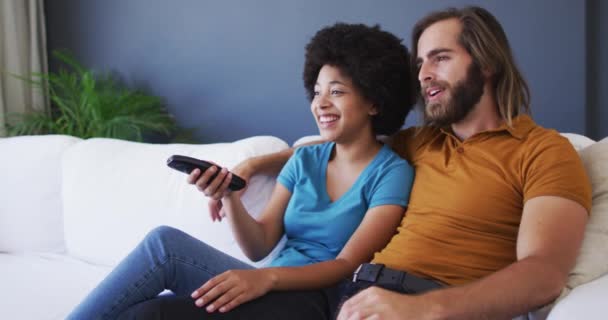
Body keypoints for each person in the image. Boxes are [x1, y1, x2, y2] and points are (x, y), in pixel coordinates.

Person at [137, 5, 592, 320]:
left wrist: (423, 310)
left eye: (440, 58)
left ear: (487, 64)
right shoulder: (420, 143)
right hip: (346, 294)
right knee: (154, 312)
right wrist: (256, 165)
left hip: (423, 303)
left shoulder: (543, 152)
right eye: (420, 63)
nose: (423, 75)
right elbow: (338, 144)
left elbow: (543, 273)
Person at [67, 22, 416, 320]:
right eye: (316, 92)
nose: (320, 103)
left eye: (336, 92)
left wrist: (268, 280)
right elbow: (259, 246)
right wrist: (229, 195)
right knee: (156, 270)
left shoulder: (392, 173)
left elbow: (345, 265)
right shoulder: (303, 160)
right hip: (267, 280)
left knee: (153, 302)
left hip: (317, 299)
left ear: (375, 101)